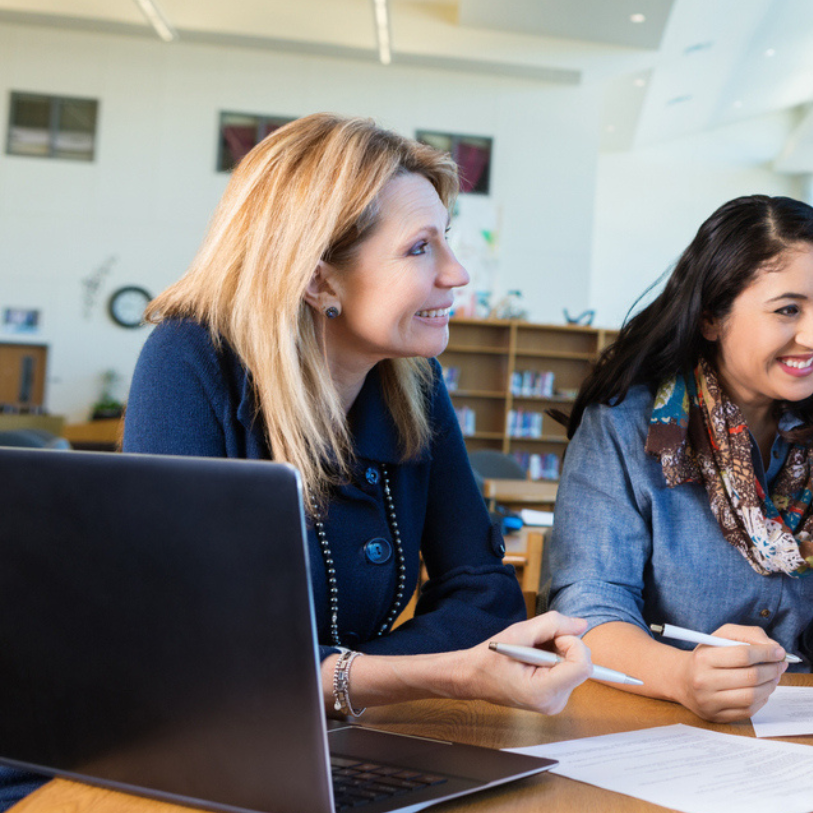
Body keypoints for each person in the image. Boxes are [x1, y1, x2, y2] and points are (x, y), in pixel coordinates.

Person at [122, 113, 592, 718]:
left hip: (303, 738)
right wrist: (432, 671)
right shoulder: (189, 359)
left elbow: (486, 597)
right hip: (133, 741)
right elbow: (195, 652)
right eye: (421, 247)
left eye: (446, 240)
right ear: (320, 282)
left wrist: (344, 677)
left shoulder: (411, 380)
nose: (457, 273)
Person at [546, 195, 813, 723]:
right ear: (711, 317)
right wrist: (681, 677)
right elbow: (588, 609)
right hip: (648, 721)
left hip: (793, 728)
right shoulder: (625, 427)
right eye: (787, 310)